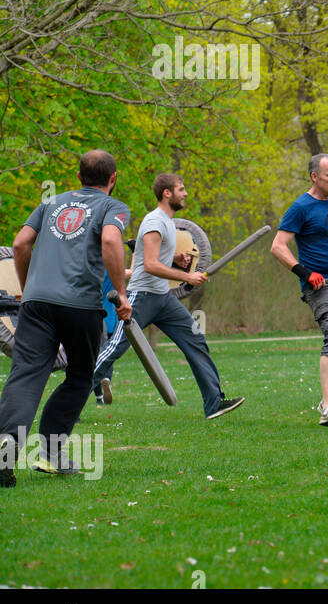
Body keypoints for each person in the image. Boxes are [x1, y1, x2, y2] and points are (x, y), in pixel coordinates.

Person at [0, 151, 131, 486]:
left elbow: (20, 243)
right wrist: (122, 293)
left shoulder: (51, 203)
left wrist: (30, 287)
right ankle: (51, 453)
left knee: (26, 375)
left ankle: (5, 447)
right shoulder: (112, 207)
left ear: (78, 177)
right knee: (80, 376)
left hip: (36, 304)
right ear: (113, 178)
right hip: (81, 305)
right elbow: (112, 240)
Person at [92, 174, 244, 420]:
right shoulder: (155, 221)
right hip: (142, 297)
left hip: (163, 299)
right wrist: (187, 277)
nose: (185, 194)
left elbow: (151, 256)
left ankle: (214, 403)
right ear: (167, 193)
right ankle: (71, 396)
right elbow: (150, 265)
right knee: (113, 350)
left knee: (196, 339)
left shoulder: (167, 222)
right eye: (181, 189)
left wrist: (175, 259)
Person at [270, 154, 328, 425]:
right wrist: (305, 273)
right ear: (315, 177)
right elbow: (278, 246)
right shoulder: (301, 207)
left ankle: (327, 404)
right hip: (319, 286)